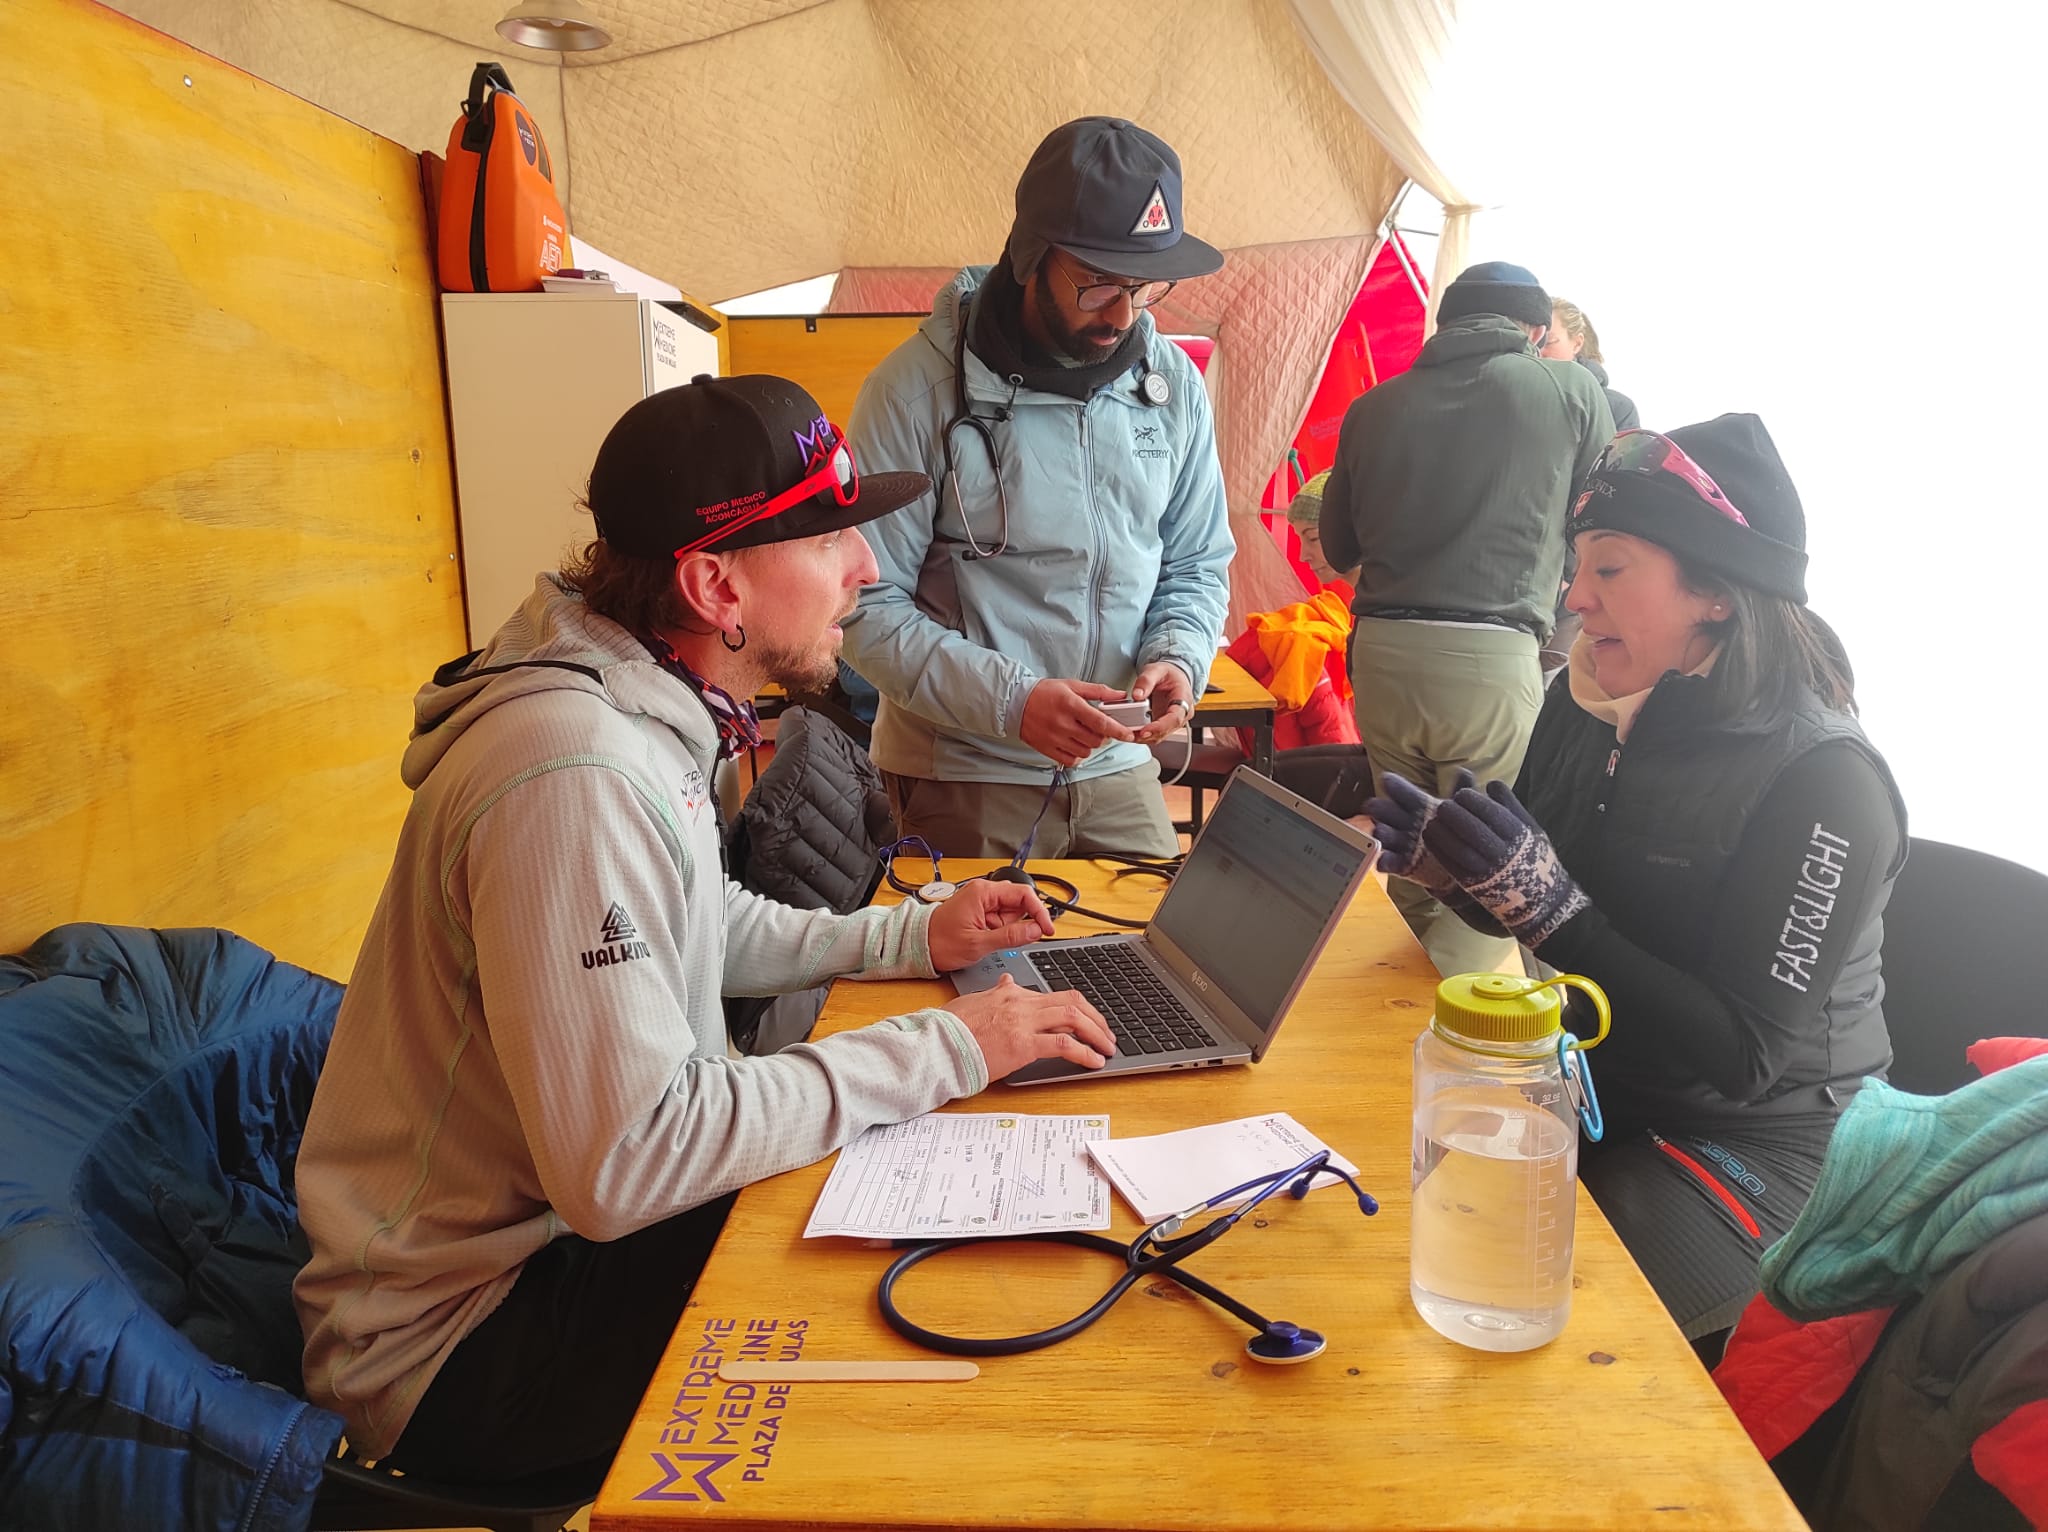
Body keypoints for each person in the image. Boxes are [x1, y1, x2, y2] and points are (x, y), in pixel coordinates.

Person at [292, 375, 1116, 1480]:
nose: (865, 568)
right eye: (828, 535)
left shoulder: (639, 704)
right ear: (712, 582)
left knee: (877, 1187)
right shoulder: (573, 770)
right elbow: (629, 1159)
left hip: (553, 1243)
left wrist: (911, 944)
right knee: (883, 1290)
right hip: (462, 1346)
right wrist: (949, 1047)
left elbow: (698, 917)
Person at [1366, 413, 1906, 1350]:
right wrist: (1455, 873)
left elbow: (1743, 1056)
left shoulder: (1827, 780)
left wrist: (1549, 911)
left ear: (1719, 595)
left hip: (1762, 1143)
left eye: (1608, 569)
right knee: (1379, 1215)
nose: (1574, 597)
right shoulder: (1586, 702)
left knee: (1537, 1317)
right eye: (1577, 566)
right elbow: (1547, 900)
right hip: (1595, 1090)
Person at [842, 116, 1234, 859]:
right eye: (1096, 285)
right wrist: (1012, 704)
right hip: (965, 774)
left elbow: (1196, 563)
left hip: (1118, 766)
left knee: (1161, 969)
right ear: (1029, 254)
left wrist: (1179, 658)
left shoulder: (1173, 387)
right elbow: (862, 604)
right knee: (984, 976)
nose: (1121, 315)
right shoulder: (915, 392)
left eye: (1144, 286)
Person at [1318, 261, 1613, 977]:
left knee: (1419, 857)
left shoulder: (1375, 406)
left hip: (1383, 656)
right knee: (1507, 863)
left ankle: (1414, 1042)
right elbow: (1603, 513)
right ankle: (1531, 1060)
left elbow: (1338, 546)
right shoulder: (1570, 388)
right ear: (1536, 331)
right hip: (1489, 657)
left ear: (1444, 324)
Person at [1542, 297, 1640, 431]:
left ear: (1577, 343)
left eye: (1549, 342)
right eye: (1531, 342)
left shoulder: (1617, 408)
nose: (1538, 350)